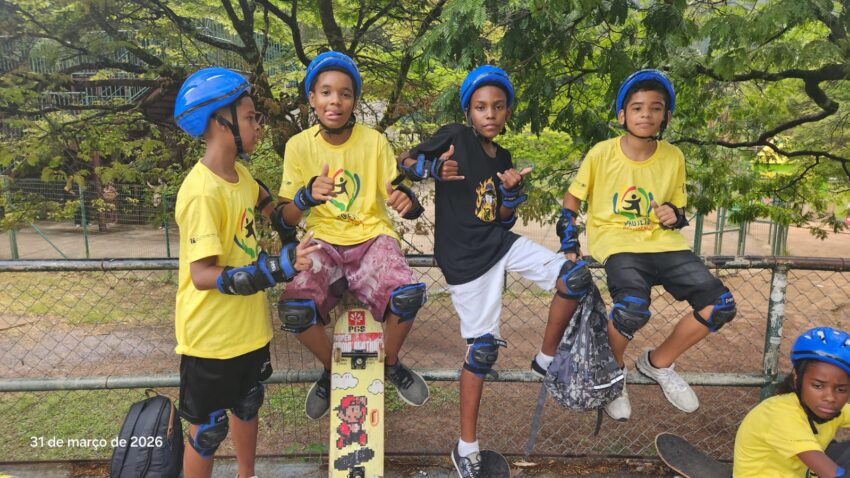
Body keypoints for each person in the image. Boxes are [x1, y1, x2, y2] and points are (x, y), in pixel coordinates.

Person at [397, 65, 590, 478]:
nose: (490, 114)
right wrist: (431, 170)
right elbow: (405, 160)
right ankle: (467, 448)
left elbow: (500, 219)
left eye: (498, 107)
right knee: (481, 352)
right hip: (464, 260)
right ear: (468, 111)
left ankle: (545, 358)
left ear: (506, 113)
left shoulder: (502, 157)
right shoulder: (454, 136)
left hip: (498, 243)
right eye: (481, 106)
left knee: (574, 278)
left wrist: (511, 193)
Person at [561, 69, 737, 420]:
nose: (646, 115)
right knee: (631, 309)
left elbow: (677, 207)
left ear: (666, 116)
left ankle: (658, 363)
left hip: (664, 244)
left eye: (656, 108)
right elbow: (572, 198)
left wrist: (674, 214)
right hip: (618, 241)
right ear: (622, 115)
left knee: (720, 305)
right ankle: (612, 377)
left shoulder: (673, 157)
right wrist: (570, 240)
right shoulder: (601, 153)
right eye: (638, 108)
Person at [173, 67, 319, 478]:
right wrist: (274, 268)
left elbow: (275, 210)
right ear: (221, 122)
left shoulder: (242, 177)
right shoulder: (201, 191)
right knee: (208, 430)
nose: (258, 125)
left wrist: (302, 200)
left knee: (248, 405)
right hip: (211, 339)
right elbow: (202, 274)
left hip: (249, 331)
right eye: (251, 117)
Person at [274, 51, 430, 421]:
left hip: (372, 237)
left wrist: (407, 201)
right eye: (326, 92)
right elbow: (284, 216)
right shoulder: (299, 146)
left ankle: (389, 364)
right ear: (311, 98)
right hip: (323, 240)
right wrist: (306, 195)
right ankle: (333, 371)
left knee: (407, 296)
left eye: (345, 93)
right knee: (295, 310)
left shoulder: (374, 142)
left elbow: (397, 193)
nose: (335, 101)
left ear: (354, 100)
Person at [734, 326, 850, 477]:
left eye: (841, 389)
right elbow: (835, 475)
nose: (830, 397)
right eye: (818, 386)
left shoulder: (829, 409)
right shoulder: (780, 414)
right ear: (797, 378)